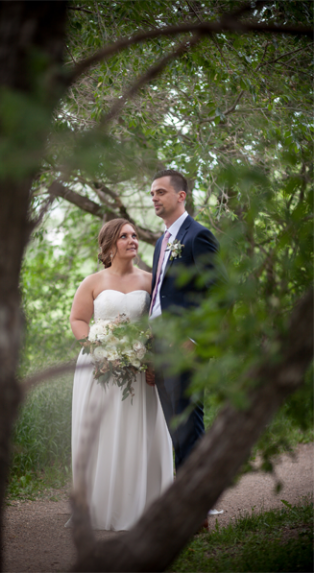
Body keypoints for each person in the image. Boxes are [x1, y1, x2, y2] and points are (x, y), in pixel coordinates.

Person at [67, 218, 174, 531]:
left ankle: (145, 503)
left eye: (135, 235)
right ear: (110, 244)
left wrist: (153, 358)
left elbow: (161, 325)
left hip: (140, 370)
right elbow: (77, 320)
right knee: (104, 433)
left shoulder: (150, 280)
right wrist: (97, 347)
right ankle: (102, 507)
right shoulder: (93, 282)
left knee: (139, 430)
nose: (132, 240)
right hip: (99, 369)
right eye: (124, 236)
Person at [146, 169, 220, 529]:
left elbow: (217, 294)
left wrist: (196, 341)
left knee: (190, 425)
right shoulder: (161, 242)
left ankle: (198, 510)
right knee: (174, 429)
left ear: (181, 196)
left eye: (160, 192)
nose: (154, 198)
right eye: (151, 194)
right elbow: (160, 296)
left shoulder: (198, 236)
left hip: (186, 347)